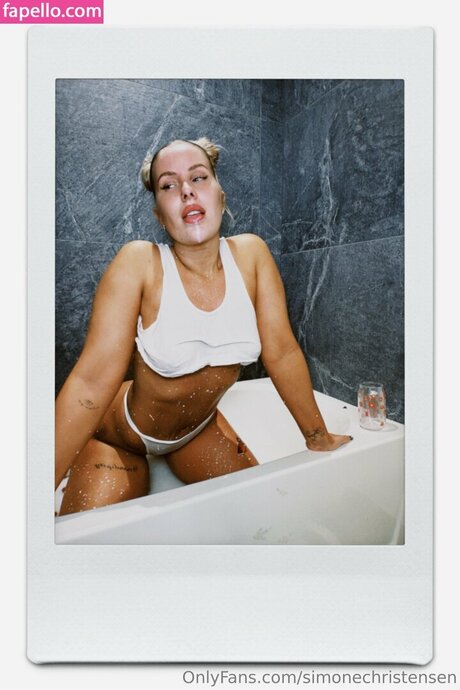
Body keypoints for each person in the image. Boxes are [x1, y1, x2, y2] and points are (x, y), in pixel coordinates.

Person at [55, 137, 352, 516]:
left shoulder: (252, 255)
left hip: (198, 432)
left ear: (220, 197)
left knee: (264, 517)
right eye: (168, 185)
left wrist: (318, 437)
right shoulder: (139, 263)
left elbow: (281, 351)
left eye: (198, 178)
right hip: (122, 437)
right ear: (159, 214)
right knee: (87, 535)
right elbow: (91, 382)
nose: (186, 191)